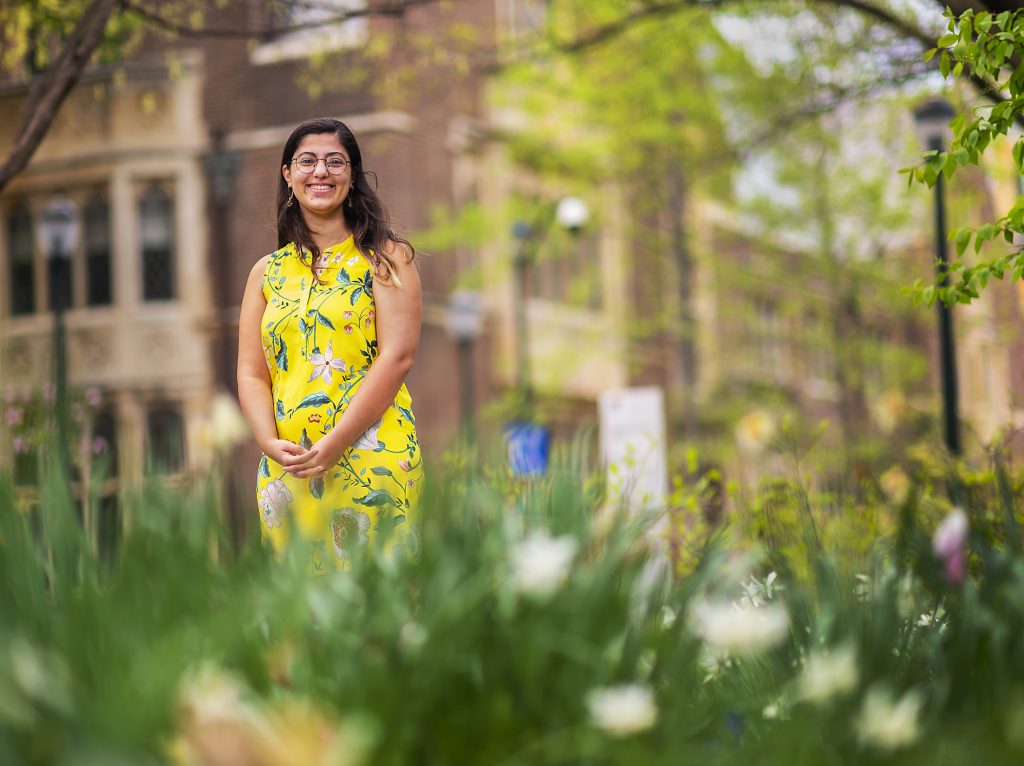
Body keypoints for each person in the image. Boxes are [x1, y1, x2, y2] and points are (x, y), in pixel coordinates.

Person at [237, 117, 422, 570]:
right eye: (307, 161)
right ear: (288, 174)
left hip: (373, 457)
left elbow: (397, 357)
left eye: (335, 162)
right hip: (289, 471)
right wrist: (266, 441)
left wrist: (337, 442)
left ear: (352, 175)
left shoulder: (384, 257)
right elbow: (250, 372)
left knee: (377, 606)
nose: (321, 172)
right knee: (299, 616)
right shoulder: (267, 273)